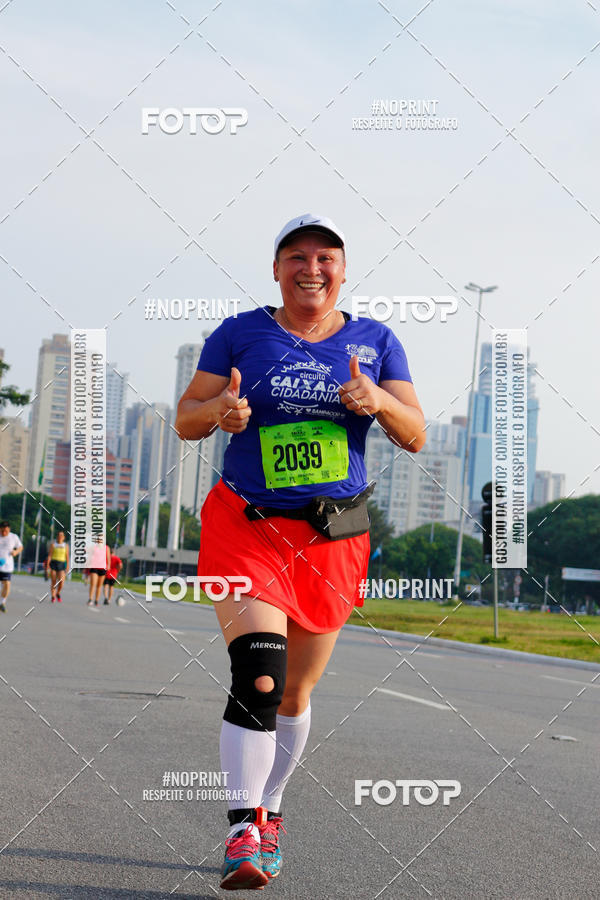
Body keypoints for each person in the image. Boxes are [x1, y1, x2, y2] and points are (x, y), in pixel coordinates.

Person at [175, 213, 426, 891]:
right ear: (277, 268)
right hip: (247, 524)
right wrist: (220, 415)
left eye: (325, 257)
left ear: (343, 270)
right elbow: (187, 417)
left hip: (333, 535)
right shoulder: (239, 333)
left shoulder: (378, 341)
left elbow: (416, 434)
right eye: (296, 256)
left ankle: (273, 808)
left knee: (294, 691)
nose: (311, 268)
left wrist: (375, 400)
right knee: (259, 672)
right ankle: (242, 831)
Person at [0, 521, 24, 612]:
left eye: (5, 531)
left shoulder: (13, 537)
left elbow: (20, 547)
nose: (4, 533)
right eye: (2, 531)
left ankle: (2, 602)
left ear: (9, 529)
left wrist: (16, 552)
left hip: (7, 566)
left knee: (7, 584)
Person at [46, 530, 69, 602]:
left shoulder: (66, 545)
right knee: (53, 581)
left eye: (62, 535)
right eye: (59, 535)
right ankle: (53, 596)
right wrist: (47, 565)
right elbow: (50, 555)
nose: (60, 537)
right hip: (54, 563)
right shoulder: (53, 544)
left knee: (61, 581)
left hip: (61, 563)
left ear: (64, 537)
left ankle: (58, 593)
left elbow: (67, 556)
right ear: (57, 536)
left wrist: (67, 565)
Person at [86, 542, 111, 607]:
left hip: (102, 568)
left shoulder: (106, 547)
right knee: (93, 584)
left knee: (99, 586)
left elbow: (108, 557)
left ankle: (96, 600)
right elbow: (89, 553)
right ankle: (90, 599)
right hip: (94, 567)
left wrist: (108, 565)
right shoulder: (94, 547)